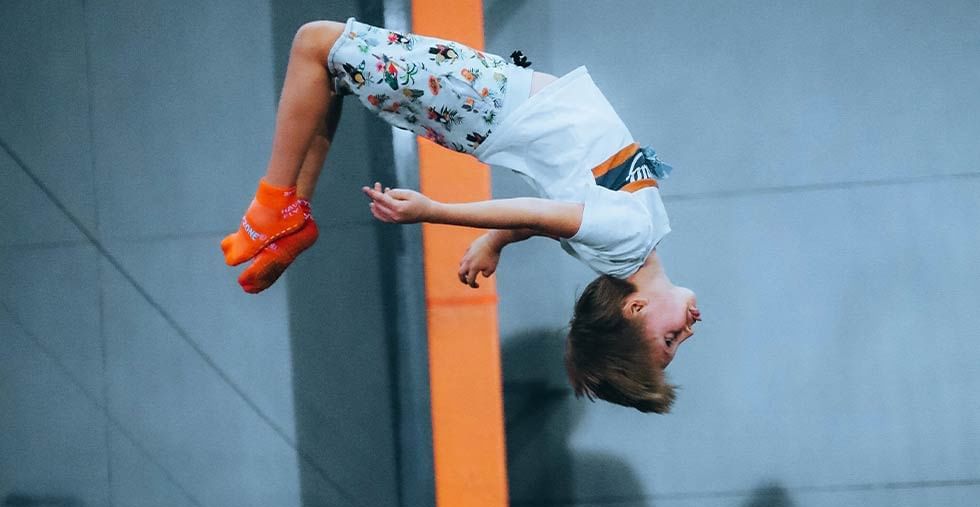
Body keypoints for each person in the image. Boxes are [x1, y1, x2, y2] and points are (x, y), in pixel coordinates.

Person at [221, 18, 700, 412]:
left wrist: (436, 210)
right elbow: (545, 218)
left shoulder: (629, 237)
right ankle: (293, 214)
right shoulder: (630, 249)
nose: (689, 329)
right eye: (678, 340)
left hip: (487, 104)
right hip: (491, 108)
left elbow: (536, 211)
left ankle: (274, 203)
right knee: (333, 71)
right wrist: (495, 242)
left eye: (671, 337)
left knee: (316, 42)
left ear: (634, 309)